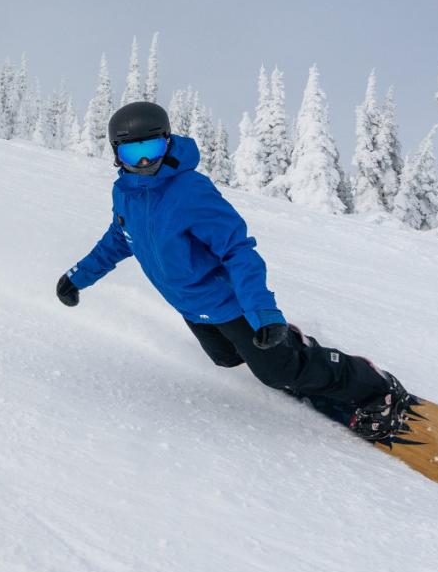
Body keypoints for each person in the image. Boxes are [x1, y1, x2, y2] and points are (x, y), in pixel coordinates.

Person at [56, 101, 413, 442]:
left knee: (276, 372)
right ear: (117, 154)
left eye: (152, 147)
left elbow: (238, 250)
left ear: (168, 142)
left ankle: (374, 386)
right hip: (191, 306)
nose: (146, 160)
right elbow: (119, 239)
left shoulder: (190, 191)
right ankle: (287, 346)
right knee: (226, 358)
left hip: (231, 302)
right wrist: (77, 276)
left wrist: (264, 313)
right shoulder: (125, 194)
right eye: (134, 152)